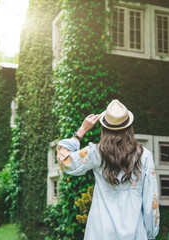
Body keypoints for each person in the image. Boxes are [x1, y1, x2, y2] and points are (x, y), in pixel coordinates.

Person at [57, 99, 160, 240]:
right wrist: (150, 233)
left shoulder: (95, 153)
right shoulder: (144, 156)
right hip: (135, 232)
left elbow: (65, 161)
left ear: (104, 128)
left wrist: (80, 132)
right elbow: (150, 201)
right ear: (129, 127)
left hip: (101, 232)